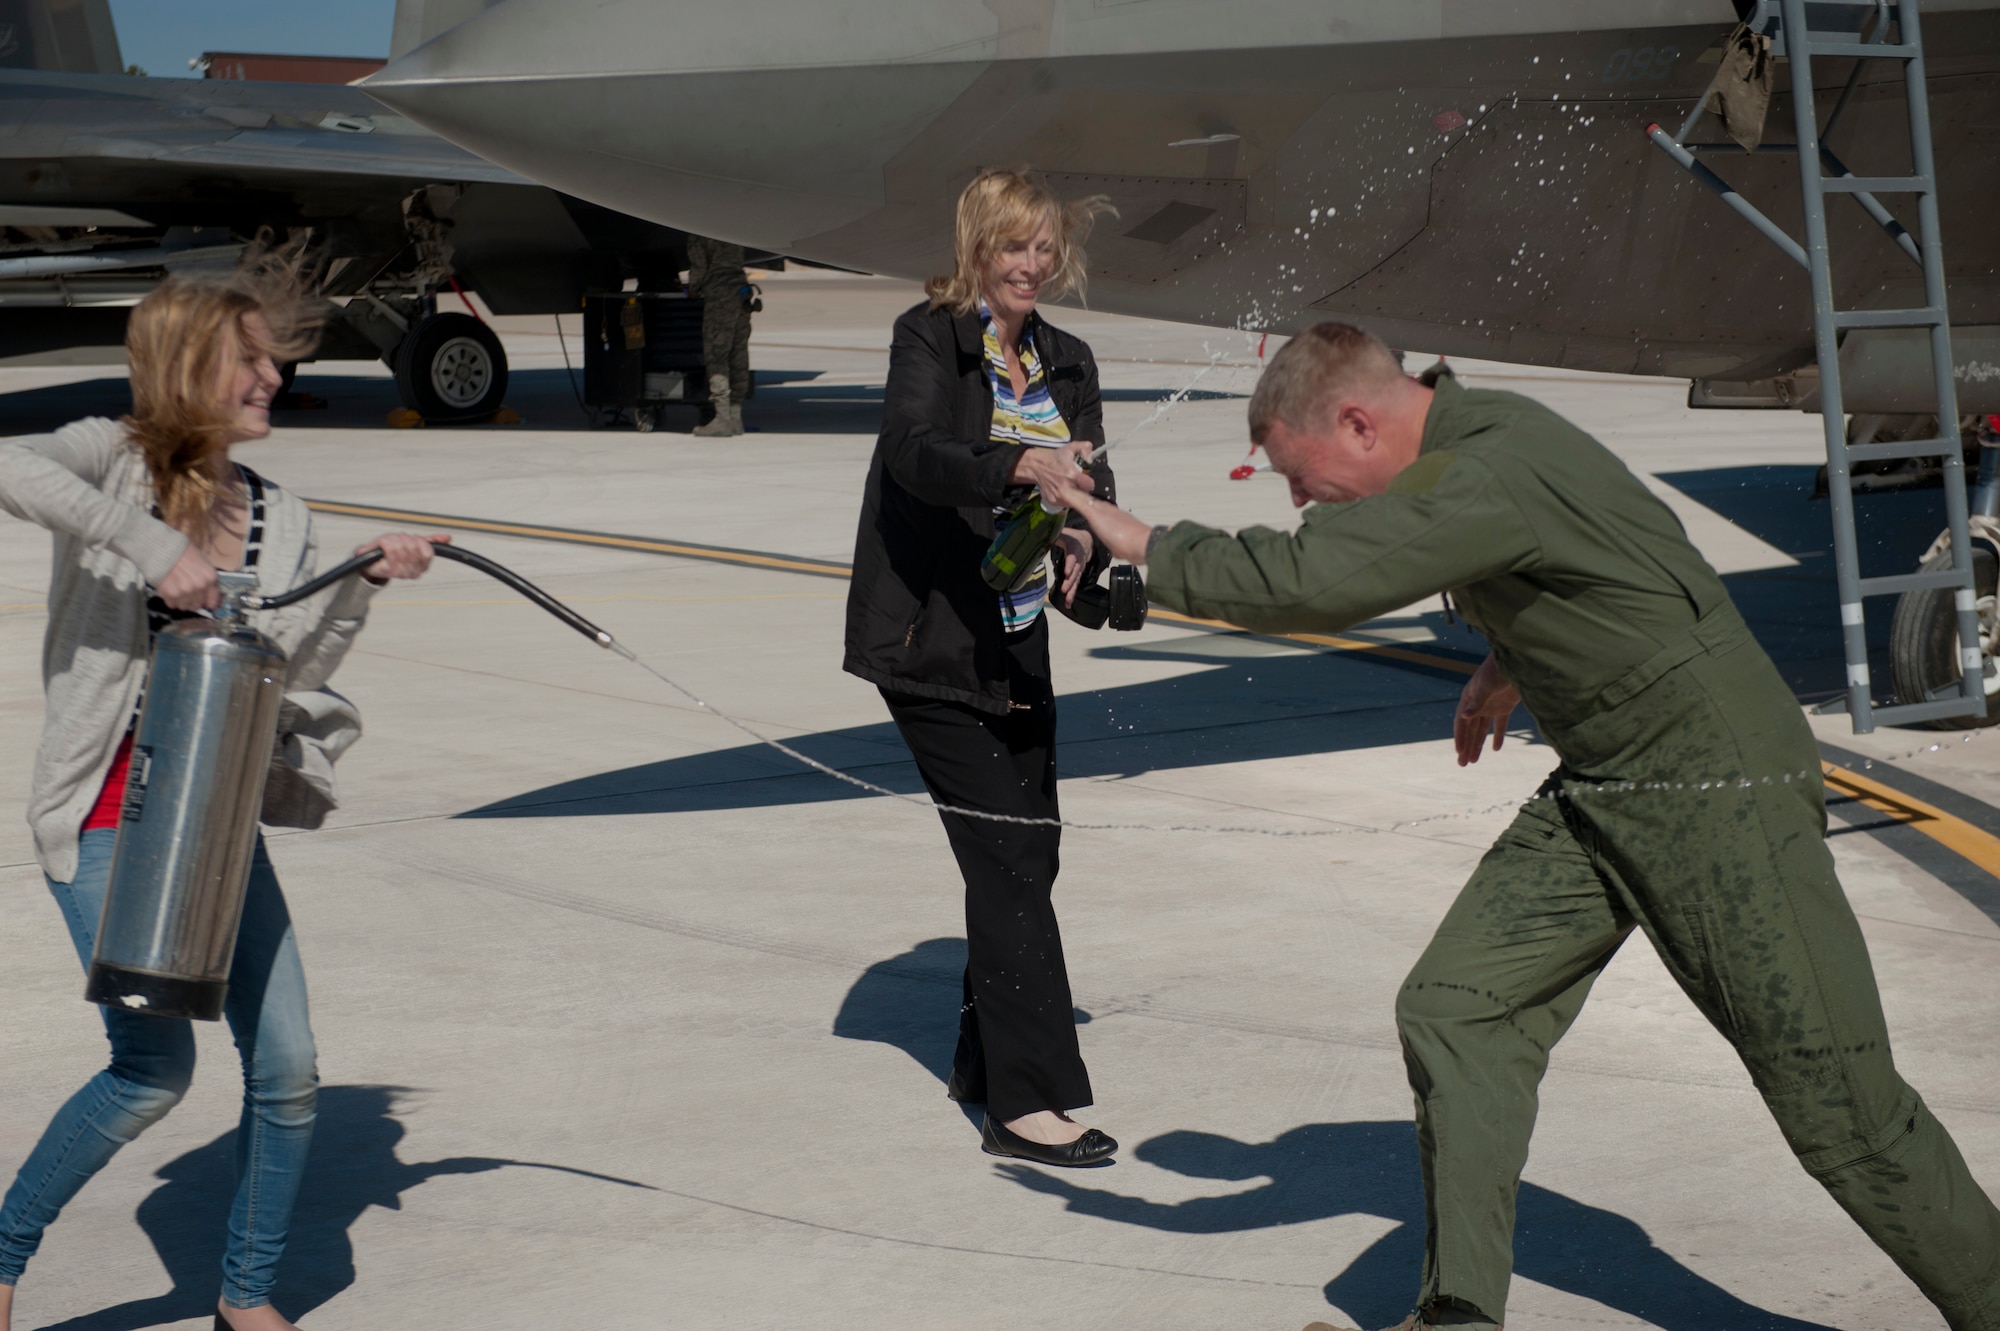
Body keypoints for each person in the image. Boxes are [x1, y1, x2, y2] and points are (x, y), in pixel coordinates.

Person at [1046, 323, 2000, 1329]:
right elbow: (1618, 548)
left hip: (1715, 786)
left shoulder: (1478, 467)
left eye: (1295, 473)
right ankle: (1459, 1310)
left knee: (1836, 1102)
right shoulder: (1486, 431)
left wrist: (1141, 541)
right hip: (1610, 776)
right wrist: (1513, 658)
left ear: (1357, 421)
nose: (1295, 499)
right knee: (1459, 1004)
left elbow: (1309, 579)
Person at [0, 252, 450, 1331]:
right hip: (107, 815)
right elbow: (8, 466)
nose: (273, 379)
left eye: (275, 361)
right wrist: (150, 542)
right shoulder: (108, 459)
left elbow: (289, 671)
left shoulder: (277, 512)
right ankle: (5, 1255)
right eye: (251, 358)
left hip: (215, 823)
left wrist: (358, 582)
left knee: (287, 1065)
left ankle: (245, 1296)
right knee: (152, 1070)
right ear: (190, 358)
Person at [842, 168, 1121, 1166]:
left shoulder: (1069, 359)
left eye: (1044, 247)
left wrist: (1092, 563)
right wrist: (1016, 462)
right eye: (1014, 246)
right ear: (976, 249)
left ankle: (979, 1057)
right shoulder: (930, 336)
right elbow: (914, 452)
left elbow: (1092, 496)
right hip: (926, 640)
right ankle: (1027, 1104)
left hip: (1012, 641)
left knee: (1032, 853)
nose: (1030, 264)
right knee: (1004, 862)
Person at [685, 233, 752, 438]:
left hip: (720, 292)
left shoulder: (698, 230)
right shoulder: (728, 223)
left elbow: (699, 268)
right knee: (738, 353)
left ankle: (721, 419)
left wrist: (693, 288)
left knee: (717, 355)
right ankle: (735, 417)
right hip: (741, 288)